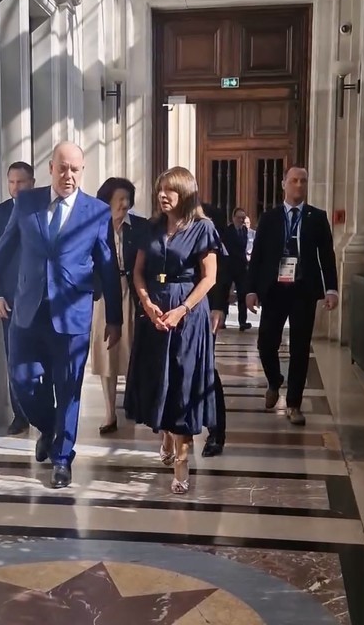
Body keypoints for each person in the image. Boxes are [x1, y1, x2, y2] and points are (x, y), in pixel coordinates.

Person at [0, 142, 123, 488]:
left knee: (69, 387)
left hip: (72, 314)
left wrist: (114, 317)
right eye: (62, 168)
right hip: (28, 311)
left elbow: (107, 265)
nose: (68, 175)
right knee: (22, 381)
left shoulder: (97, 212)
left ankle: (62, 459)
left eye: (75, 169)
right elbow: (3, 249)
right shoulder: (28, 203)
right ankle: (50, 426)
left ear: (82, 171)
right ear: (51, 169)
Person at [124, 167, 219, 495]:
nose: (162, 195)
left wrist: (182, 310)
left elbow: (209, 277)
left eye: (170, 190)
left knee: (181, 383)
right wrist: (147, 303)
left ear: (186, 193)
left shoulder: (203, 228)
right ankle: (165, 433)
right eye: (160, 189)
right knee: (157, 378)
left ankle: (182, 459)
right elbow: (137, 272)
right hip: (154, 312)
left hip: (188, 314)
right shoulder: (149, 228)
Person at [246, 166, 338, 426]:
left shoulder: (317, 217)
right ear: (284, 184)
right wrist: (251, 290)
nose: (299, 185)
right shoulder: (270, 218)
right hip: (274, 290)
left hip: (303, 290)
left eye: (303, 181)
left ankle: (294, 404)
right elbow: (258, 257)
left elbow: (327, 256)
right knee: (266, 343)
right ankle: (274, 380)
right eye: (294, 180)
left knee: (300, 348)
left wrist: (331, 289)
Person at [0, 161, 35, 436]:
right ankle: (20, 414)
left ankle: (44, 411)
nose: (16, 188)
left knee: (43, 357)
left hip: (40, 299)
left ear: (32, 183)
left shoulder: (45, 209)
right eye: (11, 182)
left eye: (21, 182)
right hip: (10, 299)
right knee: (14, 356)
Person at [91, 178, 147, 435]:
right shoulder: (95, 227)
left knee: (134, 349)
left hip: (133, 292)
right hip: (105, 296)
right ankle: (109, 412)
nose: (124, 204)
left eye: (127, 199)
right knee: (108, 355)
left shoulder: (141, 227)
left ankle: (134, 404)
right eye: (119, 198)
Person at [199, 201, 229, 458]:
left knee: (206, 368)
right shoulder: (163, 221)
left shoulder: (211, 218)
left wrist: (219, 306)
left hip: (204, 307)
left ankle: (216, 431)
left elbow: (223, 268)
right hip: (173, 306)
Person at [222, 207, 252, 332]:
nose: (241, 220)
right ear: (233, 218)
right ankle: (222, 320)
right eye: (239, 218)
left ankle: (242, 321)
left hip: (241, 268)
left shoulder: (244, 230)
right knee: (225, 294)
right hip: (229, 267)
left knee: (242, 294)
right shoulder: (227, 231)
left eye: (243, 218)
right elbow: (228, 248)